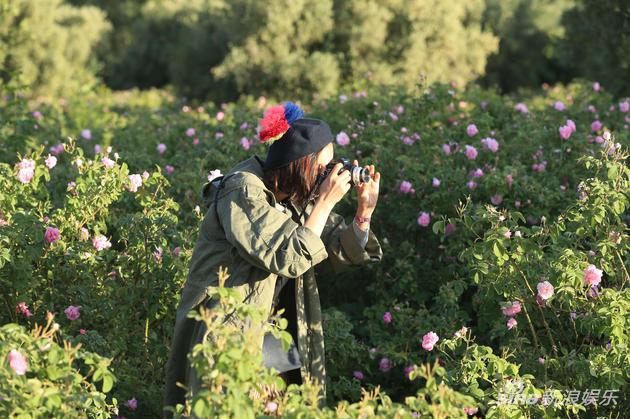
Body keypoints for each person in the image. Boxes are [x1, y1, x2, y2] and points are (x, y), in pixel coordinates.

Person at [163, 102, 383, 417]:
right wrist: (323, 201)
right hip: (229, 329)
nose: (329, 174)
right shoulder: (243, 192)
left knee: (279, 409)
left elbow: (337, 247)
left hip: (271, 332)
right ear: (300, 166)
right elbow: (288, 256)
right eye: (323, 167)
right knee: (223, 409)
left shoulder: (293, 194)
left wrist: (363, 214)